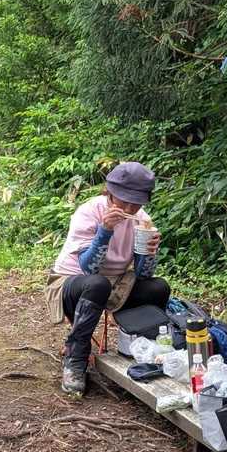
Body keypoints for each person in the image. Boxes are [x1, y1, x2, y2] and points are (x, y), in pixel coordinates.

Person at [45, 161, 168, 395]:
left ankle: (141, 351)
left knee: (157, 287)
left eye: (136, 202)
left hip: (116, 283)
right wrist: (105, 231)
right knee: (97, 283)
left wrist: (149, 252)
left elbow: (143, 275)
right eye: (124, 200)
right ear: (109, 193)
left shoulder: (142, 219)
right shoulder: (89, 212)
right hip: (72, 281)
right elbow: (88, 268)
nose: (130, 207)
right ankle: (75, 359)